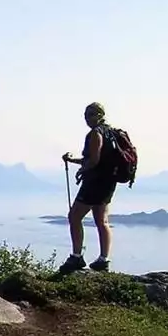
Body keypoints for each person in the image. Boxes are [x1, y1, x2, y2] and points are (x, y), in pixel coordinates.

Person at [60, 102, 116, 273]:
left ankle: (77, 256)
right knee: (102, 220)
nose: (87, 119)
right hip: (108, 182)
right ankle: (104, 259)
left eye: (90, 115)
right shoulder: (112, 133)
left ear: (99, 115)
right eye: (85, 116)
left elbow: (94, 160)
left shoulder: (95, 134)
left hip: (94, 182)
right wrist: (73, 161)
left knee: (74, 216)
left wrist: (81, 170)